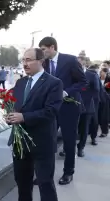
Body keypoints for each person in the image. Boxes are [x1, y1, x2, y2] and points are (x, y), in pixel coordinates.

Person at [6, 48, 62, 201]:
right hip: (20, 143)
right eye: (23, 60)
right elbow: (16, 106)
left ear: (41, 61)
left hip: (42, 142)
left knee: (45, 183)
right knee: (22, 183)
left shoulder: (54, 83)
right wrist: (10, 116)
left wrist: (23, 117)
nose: (25, 64)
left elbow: (50, 112)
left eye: (29, 60)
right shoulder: (20, 82)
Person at [38, 37, 87, 185]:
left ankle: (68, 172)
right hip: (51, 108)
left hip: (69, 108)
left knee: (68, 141)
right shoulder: (43, 63)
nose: (42, 52)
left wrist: (67, 92)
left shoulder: (70, 60)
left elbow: (83, 81)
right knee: (47, 140)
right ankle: (44, 173)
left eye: (43, 49)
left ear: (52, 47)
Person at [76, 56, 99, 156]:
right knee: (71, 128)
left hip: (87, 106)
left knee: (84, 129)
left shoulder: (91, 75)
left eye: (80, 63)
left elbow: (96, 90)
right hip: (73, 106)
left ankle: (81, 148)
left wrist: (86, 99)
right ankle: (66, 148)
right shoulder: (72, 74)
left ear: (84, 64)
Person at [86, 64, 102, 144]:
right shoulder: (94, 75)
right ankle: (93, 138)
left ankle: (89, 137)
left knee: (87, 121)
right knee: (94, 120)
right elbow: (98, 89)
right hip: (94, 101)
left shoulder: (88, 74)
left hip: (89, 101)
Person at [98, 67, 110, 137]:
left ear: (105, 72)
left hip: (106, 100)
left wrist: (105, 86)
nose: (100, 72)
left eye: (101, 71)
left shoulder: (108, 79)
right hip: (98, 99)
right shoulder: (98, 78)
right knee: (98, 116)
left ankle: (104, 132)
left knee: (104, 116)